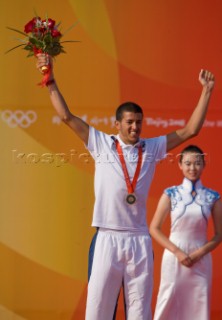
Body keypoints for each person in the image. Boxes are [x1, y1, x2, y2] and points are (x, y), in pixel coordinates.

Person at [36, 53, 215, 320]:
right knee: (98, 311)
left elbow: (190, 131)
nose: (135, 127)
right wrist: (49, 79)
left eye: (139, 122)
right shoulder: (100, 142)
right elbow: (66, 117)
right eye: (129, 122)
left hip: (139, 239)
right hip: (107, 236)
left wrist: (207, 91)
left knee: (139, 313)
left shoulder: (152, 147)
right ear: (117, 124)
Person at [150, 145, 222, 320]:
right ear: (180, 165)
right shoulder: (170, 193)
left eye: (197, 163)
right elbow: (154, 228)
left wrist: (198, 253)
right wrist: (178, 252)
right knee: (167, 301)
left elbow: (219, 234)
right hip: (174, 257)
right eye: (188, 163)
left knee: (198, 305)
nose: (192, 168)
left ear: (204, 165)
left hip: (201, 258)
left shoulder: (213, 197)